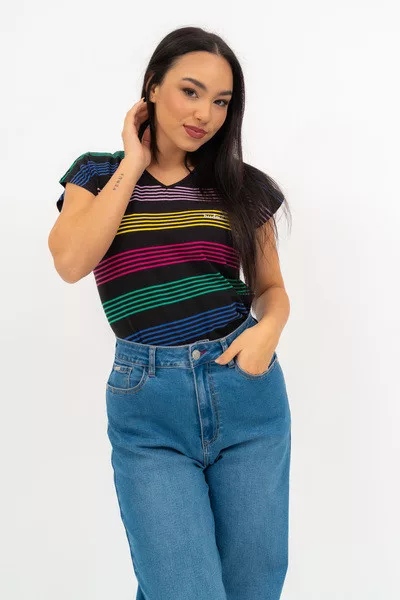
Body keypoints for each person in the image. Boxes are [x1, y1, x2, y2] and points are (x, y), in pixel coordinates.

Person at [48, 25, 292, 600]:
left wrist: (269, 331)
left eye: (221, 101)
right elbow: (71, 261)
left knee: (252, 590)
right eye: (190, 91)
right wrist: (133, 162)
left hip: (246, 391)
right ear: (153, 87)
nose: (205, 113)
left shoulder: (240, 186)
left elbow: (271, 289)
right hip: (149, 407)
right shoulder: (97, 174)